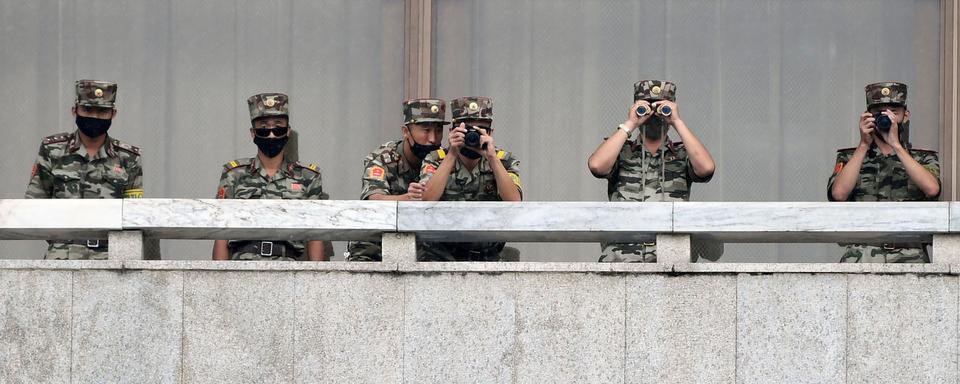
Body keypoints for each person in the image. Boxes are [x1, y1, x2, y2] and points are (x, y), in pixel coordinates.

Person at [587, 80, 715, 262]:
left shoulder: (682, 154)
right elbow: (597, 166)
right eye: (646, 107)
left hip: (672, 263)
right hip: (621, 261)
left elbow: (707, 168)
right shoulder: (621, 151)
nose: (653, 115)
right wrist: (630, 123)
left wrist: (677, 121)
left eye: (661, 108)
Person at [25, 79, 143, 259]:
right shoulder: (53, 150)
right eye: (87, 109)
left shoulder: (128, 157)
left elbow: (134, 214)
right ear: (75, 111)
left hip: (111, 257)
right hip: (62, 255)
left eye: (102, 111)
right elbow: (34, 204)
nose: (94, 117)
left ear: (113, 114)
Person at [828, 82, 940, 263]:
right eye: (880, 113)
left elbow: (932, 188)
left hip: (910, 255)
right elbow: (839, 194)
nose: (887, 118)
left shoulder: (922, 158)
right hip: (861, 254)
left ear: (906, 116)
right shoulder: (850, 157)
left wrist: (896, 145)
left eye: (894, 112)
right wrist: (863, 144)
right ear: (868, 116)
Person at [212, 92, 329, 261]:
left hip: (289, 268)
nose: (272, 134)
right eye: (264, 128)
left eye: (278, 126)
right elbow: (221, 231)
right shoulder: (234, 175)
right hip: (243, 267)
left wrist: (316, 281)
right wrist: (218, 281)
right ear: (253, 133)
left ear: (288, 131)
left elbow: (315, 235)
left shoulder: (308, 177)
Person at [419, 96, 522, 261]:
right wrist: (452, 153)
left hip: (489, 257)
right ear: (453, 131)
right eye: (467, 130)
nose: (472, 136)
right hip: (441, 257)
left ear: (490, 133)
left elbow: (514, 202)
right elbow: (426, 200)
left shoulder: (504, 160)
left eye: (480, 130)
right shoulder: (436, 159)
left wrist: (492, 157)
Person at [346, 98, 448, 261]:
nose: (433, 139)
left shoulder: (444, 160)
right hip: (377, 245)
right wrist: (408, 199)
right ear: (406, 131)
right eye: (426, 130)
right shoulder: (383, 158)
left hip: (427, 247)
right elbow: (374, 200)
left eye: (438, 131)